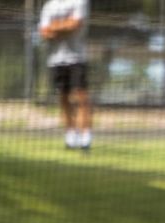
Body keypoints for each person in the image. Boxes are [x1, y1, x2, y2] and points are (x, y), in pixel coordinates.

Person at [38, 0, 92, 150]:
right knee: (63, 98)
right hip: (56, 60)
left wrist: (55, 26)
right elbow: (44, 32)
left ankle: (85, 138)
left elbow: (75, 25)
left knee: (81, 97)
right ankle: (71, 136)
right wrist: (64, 25)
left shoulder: (79, 2)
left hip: (77, 59)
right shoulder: (49, 5)